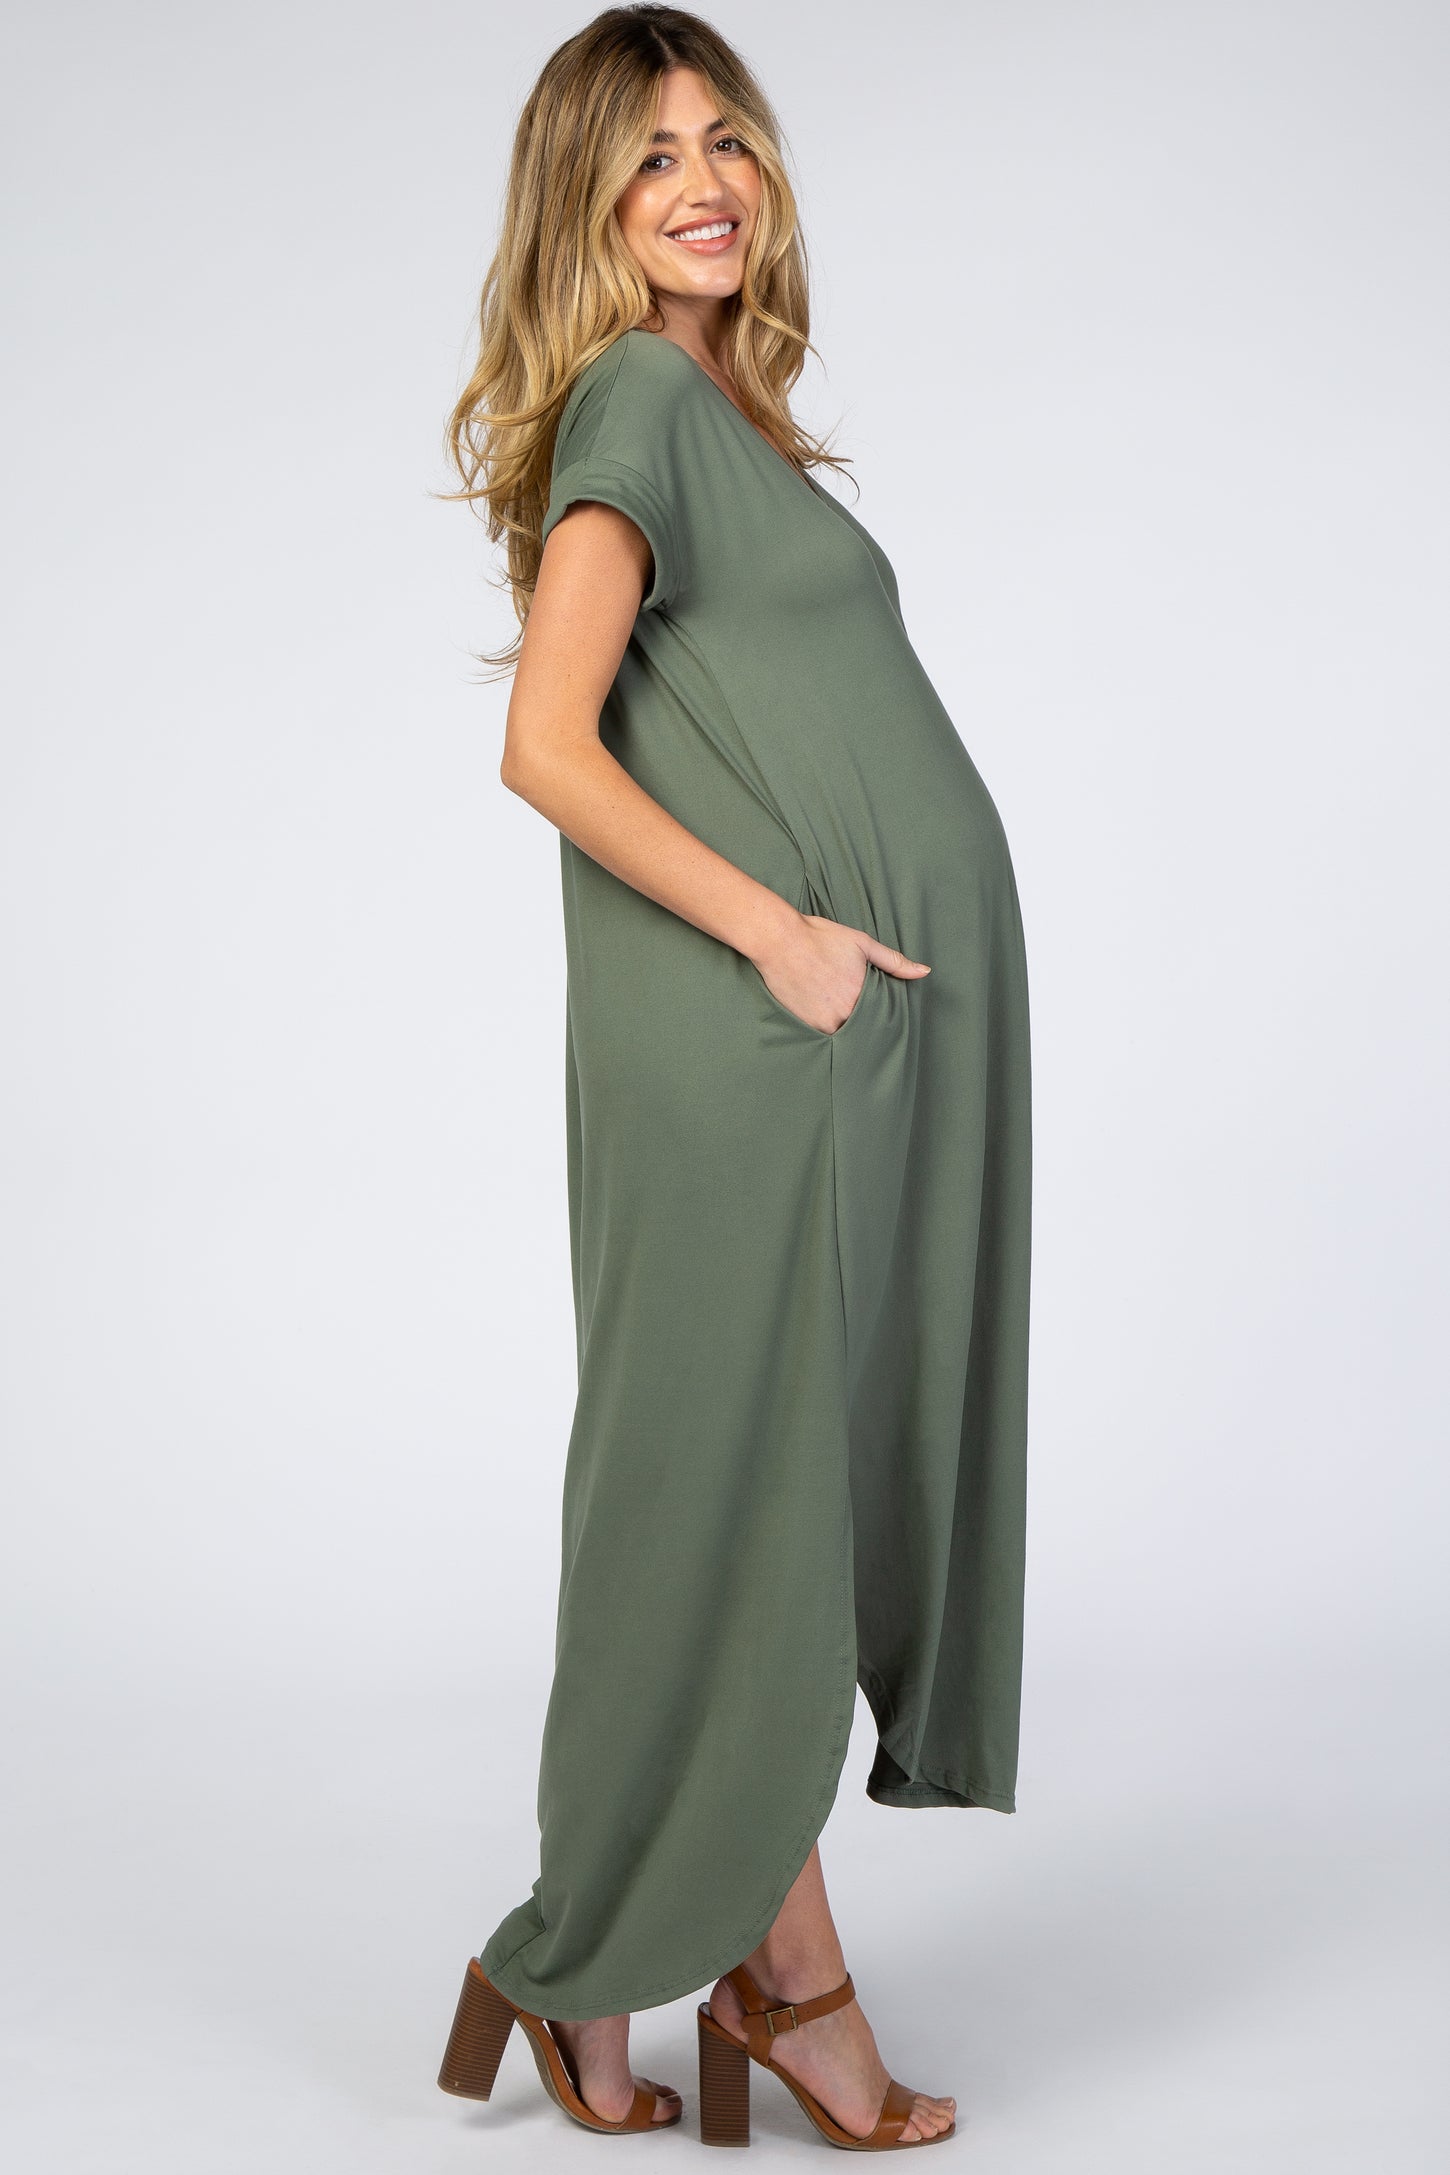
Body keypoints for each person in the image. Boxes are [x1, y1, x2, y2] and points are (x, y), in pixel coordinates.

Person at [435, 4, 1031, 2151]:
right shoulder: (631, 399)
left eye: (726, 141)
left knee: (736, 1491)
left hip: (805, 1054)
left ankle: (601, 1972)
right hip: (742, 1045)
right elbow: (545, 743)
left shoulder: (719, 411)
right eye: (650, 154)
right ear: (586, 203)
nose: (703, 183)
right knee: (727, 1499)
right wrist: (783, 933)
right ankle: (767, 1980)